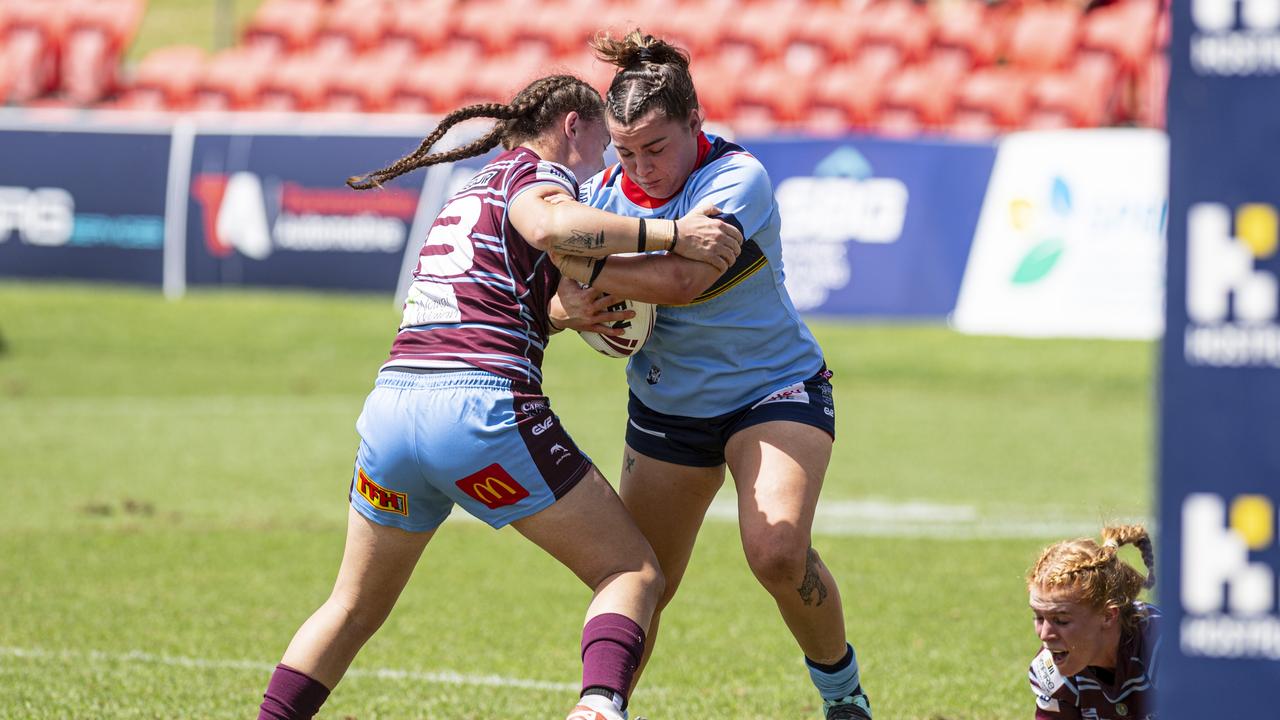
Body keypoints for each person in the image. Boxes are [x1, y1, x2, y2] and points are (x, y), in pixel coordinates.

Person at [255, 74, 743, 720]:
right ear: (574, 125)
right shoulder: (538, 178)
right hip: (477, 411)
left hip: (393, 410)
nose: (607, 163)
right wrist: (674, 235)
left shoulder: (471, 189)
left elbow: (502, 295)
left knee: (351, 607)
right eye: (604, 144)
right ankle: (598, 710)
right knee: (632, 574)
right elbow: (549, 224)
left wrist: (564, 313)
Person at [550, 31, 873, 720]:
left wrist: (586, 261)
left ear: (695, 123)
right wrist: (567, 306)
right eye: (625, 151)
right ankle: (605, 709)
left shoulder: (736, 179)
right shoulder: (602, 193)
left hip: (775, 388)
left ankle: (843, 696)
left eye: (656, 148)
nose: (641, 167)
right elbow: (547, 293)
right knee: (640, 582)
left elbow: (682, 280)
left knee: (779, 553)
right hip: (667, 407)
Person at [1027, 525, 1159, 720]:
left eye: (1061, 620)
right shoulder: (1050, 671)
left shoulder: (1163, 649)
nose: (1045, 634)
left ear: (1108, 616)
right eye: (1039, 617)